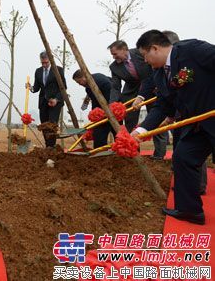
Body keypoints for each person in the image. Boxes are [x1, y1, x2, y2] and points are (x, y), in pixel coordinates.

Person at [132, 30, 215, 225]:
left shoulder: (191, 50)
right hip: (196, 125)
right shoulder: (159, 74)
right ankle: (190, 210)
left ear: (155, 48)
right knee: (183, 157)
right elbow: (163, 105)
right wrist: (140, 131)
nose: (145, 61)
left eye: (145, 56)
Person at [108, 40, 152, 132]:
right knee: (130, 121)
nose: (113, 57)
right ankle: (132, 144)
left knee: (156, 116)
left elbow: (153, 67)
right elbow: (115, 87)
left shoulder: (140, 52)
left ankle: (160, 146)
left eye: (115, 54)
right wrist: (112, 104)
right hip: (131, 91)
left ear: (124, 49)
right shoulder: (114, 67)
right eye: (112, 55)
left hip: (151, 86)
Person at [27, 51, 66, 148]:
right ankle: (48, 145)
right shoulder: (38, 71)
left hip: (55, 102)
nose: (44, 65)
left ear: (50, 60)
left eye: (46, 63)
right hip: (43, 102)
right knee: (44, 125)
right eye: (42, 63)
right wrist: (30, 87)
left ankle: (51, 147)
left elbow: (63, 87)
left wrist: (56, 100)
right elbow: (36, 88)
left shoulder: (58, 70)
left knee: (51, 125)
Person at [72, 70, 113, 148]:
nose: (79, 84)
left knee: (117, 133)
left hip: (112, 111)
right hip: (101, 114)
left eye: (79, 82)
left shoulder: (101, 81)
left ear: (84, 77)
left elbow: (112, 95)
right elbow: (95, 103)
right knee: (98, 136)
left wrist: (108, 111)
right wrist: (94, 116)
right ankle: (100, 154)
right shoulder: (88, 88)